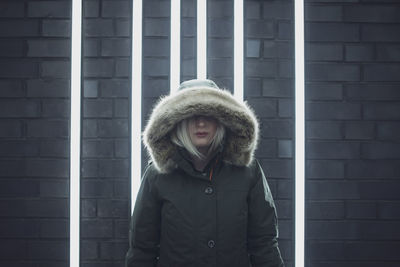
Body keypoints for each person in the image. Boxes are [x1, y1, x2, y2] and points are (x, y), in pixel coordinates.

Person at [125, 79, 284, 267]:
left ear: (221, 120)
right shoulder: (158, 175)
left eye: (208, 114)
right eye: (191, 115)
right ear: (178, 121)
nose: (200, 123)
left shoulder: (247, 172)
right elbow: (142, 249)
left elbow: (264, 244)